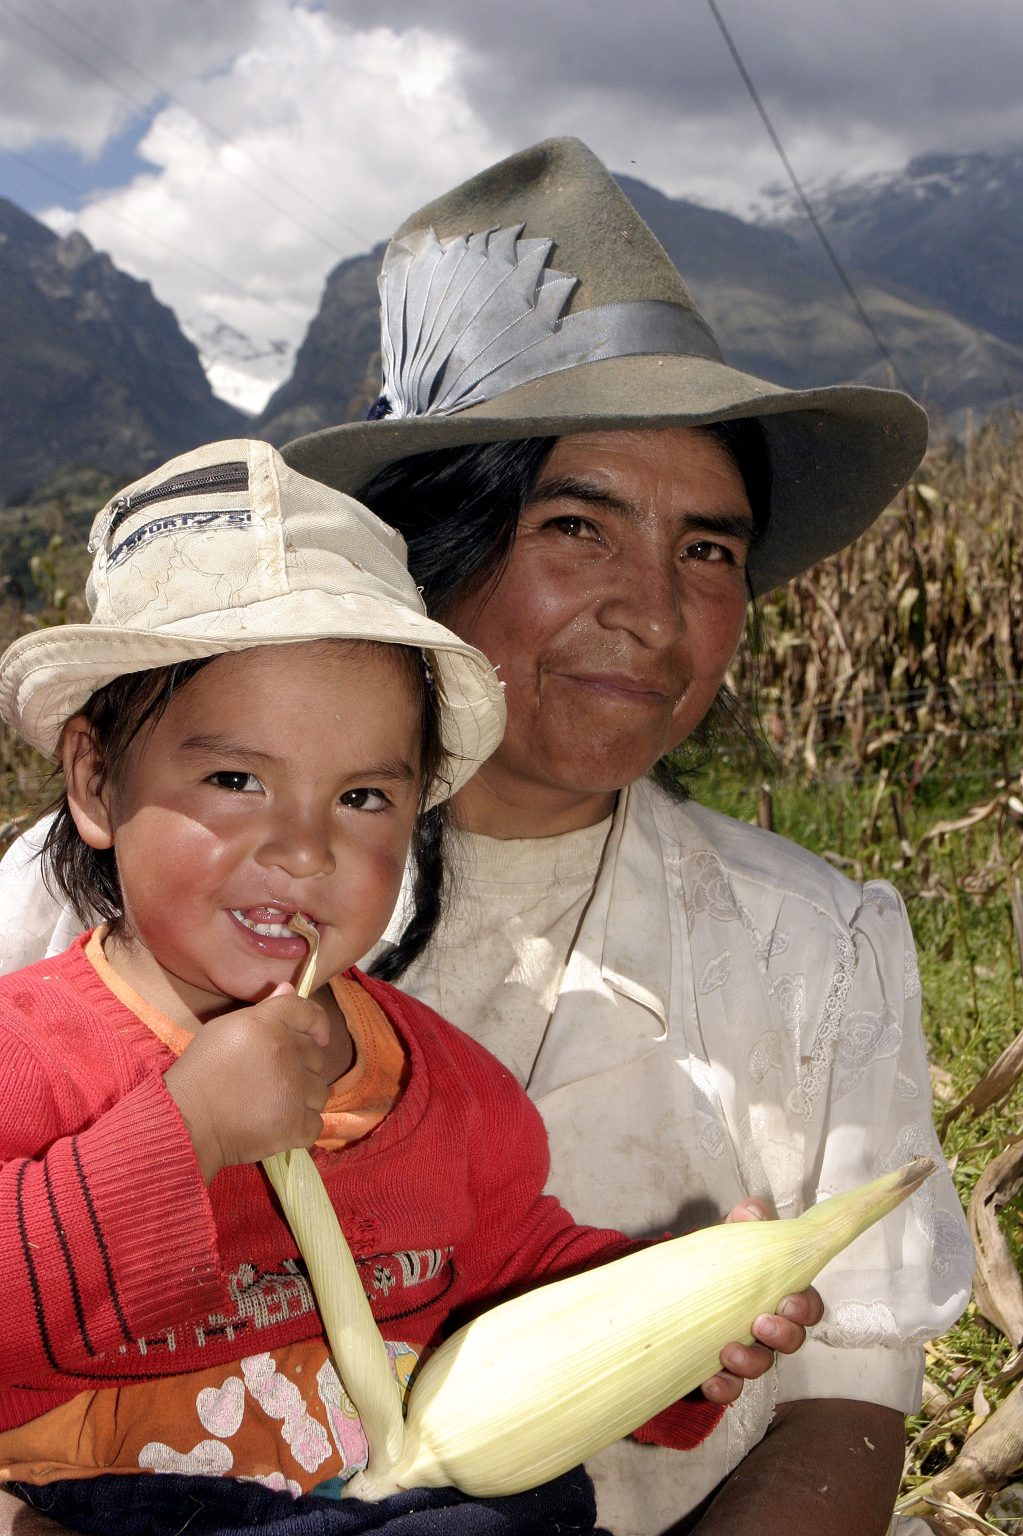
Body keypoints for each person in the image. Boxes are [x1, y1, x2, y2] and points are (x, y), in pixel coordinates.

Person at [0, 137, 972, 1535]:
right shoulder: (69, 908)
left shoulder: (811, 949)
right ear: (434, 546)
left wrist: (680, 1329)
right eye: (575, 525)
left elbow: (834, 1399)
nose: (652, 612)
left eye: (709, 549)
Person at [0, 438, 805, 1536]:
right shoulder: (29, 1057)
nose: (303, 850)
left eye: (363, 799)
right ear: (96, 783)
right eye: (235, 779)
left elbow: (517, 1283)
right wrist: (187, 1133)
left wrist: (674, 1328)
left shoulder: (447, 1091)